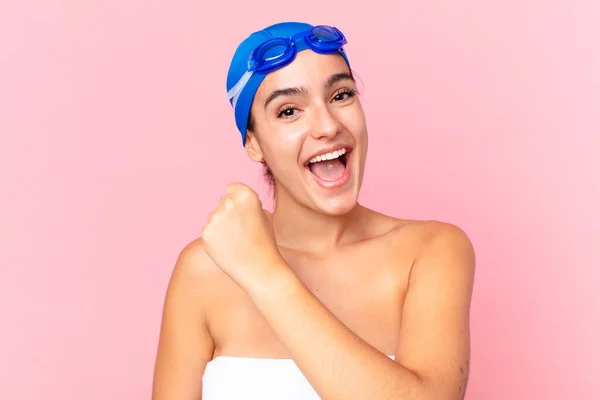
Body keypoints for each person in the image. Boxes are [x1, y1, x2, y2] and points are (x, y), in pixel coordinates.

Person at [151, 21, 476, 400]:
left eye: (341, 95)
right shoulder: (204, 270)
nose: (327, 125)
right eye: (289, 111)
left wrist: (266, 274)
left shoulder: (432, 251)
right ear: (253, 143)